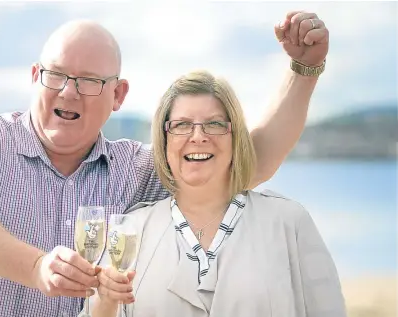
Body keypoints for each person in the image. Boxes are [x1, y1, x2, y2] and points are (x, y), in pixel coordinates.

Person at [0, 10, 329, 317]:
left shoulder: (136, 171)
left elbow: (247, 163)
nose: (69, 92)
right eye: (56, 75)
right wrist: (35, 267)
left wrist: (304, 69)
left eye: (90, 81)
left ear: (118, 95)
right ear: (35, 77)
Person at [88, 69, 345, 317]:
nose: (198, 136)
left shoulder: (288, 221)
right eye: (182, 125)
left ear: (235, 137)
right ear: (164, 140)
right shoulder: (131, 230)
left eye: (214, 124)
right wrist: (106, 302)